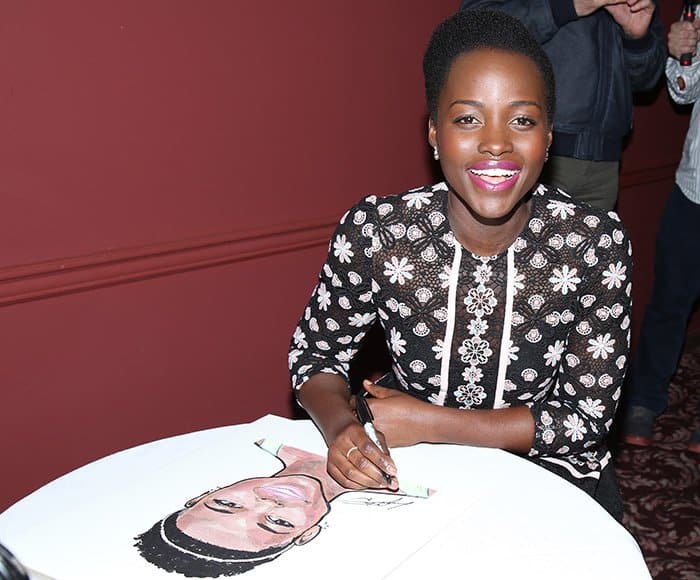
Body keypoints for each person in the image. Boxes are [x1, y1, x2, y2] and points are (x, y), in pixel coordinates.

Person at [289, 9, 632, 521]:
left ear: (549, 136)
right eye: (468, 118)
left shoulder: (593, 244)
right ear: (433, 132)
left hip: (548, 470)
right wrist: (343, 429)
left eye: (522, 120)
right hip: (409, 462)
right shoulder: (379, 231)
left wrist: (432, 422)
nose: (496, 142)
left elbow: (585, 419)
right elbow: (315, 355)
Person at [456, 0, 665, 211]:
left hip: (605, 163)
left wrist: (637, 39)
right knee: (521, 244)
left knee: (596, 243)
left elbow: (647, 80)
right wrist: (568, 6)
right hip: (536, 153)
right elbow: (474, 27)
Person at [135, 439, 424, 577]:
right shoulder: (412, 489)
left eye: (227, 504)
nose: (267, 503)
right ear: (307, 533)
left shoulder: (264, 440)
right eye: (276, 522)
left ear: (203, 494)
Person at [622, 9, 700, 453]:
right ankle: (645, 400)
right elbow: (683, 93)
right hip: (694, 186)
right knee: (669, 303)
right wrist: (682, 54)